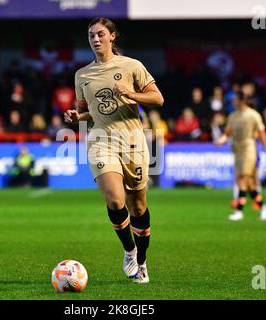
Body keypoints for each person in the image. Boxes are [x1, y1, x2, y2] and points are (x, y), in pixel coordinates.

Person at [64, 17, 164, 284]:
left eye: (100, 34)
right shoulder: (82, 75)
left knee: (138, 206)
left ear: (112, 37)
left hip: (132, 142)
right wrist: (77, 117)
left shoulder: (132, 66)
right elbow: (87, 112)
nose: (95, 39)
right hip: (100, 141)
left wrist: (132, 94)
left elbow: (157, 98)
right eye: (90, 35)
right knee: (115, 199)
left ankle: (142, 261)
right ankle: (129, 250)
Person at [215, 91, 266, 221]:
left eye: (236, 100)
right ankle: (264, 207)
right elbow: (227, 134)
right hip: (237, 149)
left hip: (249, 148)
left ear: (242, 101)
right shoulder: (233, 116)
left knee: (242, 179)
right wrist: (221, 140)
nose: (234, 102)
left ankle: (239, 211)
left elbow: (262, 135)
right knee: (250, 183)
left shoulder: (253, 115)